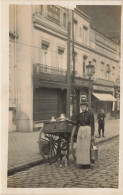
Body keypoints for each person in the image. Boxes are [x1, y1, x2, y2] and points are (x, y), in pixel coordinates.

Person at [73, 100, 95, 168]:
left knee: (86, 147)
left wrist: (92, 134)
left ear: (86, 107)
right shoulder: (79, 115)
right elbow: (76, 123)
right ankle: (81, 162)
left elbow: (92, 124)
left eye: (84, 106)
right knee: (80, 147)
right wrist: (69, 121)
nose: (82, 108)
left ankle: (87, 164)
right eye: (81, 107)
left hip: (87, 130)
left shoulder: (90, 114)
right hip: (81, 131)